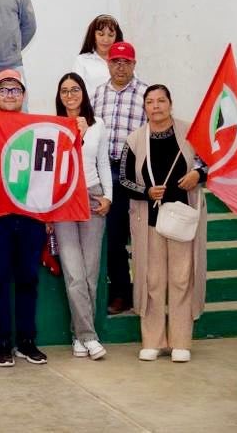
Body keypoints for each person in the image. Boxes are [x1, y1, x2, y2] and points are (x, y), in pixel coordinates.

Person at [120, 85, 208, 363]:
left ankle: (181, 342)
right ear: (144, 107)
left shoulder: (190, 133)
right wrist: (146, 192)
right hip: (149, 222)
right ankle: (153, 341)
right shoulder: (134, 140)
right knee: (153, 280)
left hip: (183, 219)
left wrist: (197, 175)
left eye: (161, 100)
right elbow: (123, 179)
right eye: (150, 102)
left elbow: (208, 163)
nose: (156, 106)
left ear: (170, 103)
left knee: (182, 279)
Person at [0, 70, 48, 366]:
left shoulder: (38, 127)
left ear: (23, 95)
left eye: (15, 90)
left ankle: (27, 341)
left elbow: (47, 173)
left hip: (30, 214)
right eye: (3, 90)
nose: (9, 95)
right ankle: (3, 343)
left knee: (28, 278)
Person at [52, 73, 111, 360]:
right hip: (63, 198)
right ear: (59, 96)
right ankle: (90, 336)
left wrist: (108, 196)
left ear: (83, 93)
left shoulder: (97, 123)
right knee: (74, 273)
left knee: (90, 275)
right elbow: (52, 166)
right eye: (64, 91)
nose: (70, 95)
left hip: (92, 195)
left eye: (75, 89)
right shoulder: (53, 125)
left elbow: (103, 163)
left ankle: (78, 335)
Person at [93, 41, 148, 314]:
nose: (121, 67)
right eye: (116, 61)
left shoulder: (146, 94)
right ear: (108, 63)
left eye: (126, 62)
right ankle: (120, 293)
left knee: (140, 237)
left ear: (134, 64)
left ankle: (147, 293)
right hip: (105, 173)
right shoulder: (97, 94)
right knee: (113, 237)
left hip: (136, 174)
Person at [72, 14, 124, 93]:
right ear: (93, 36)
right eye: (100, 34)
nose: (106, 40)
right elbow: (76, 91)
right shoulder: (82, 60)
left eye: (111, 35)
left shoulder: (124, 60)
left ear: (116, 37)